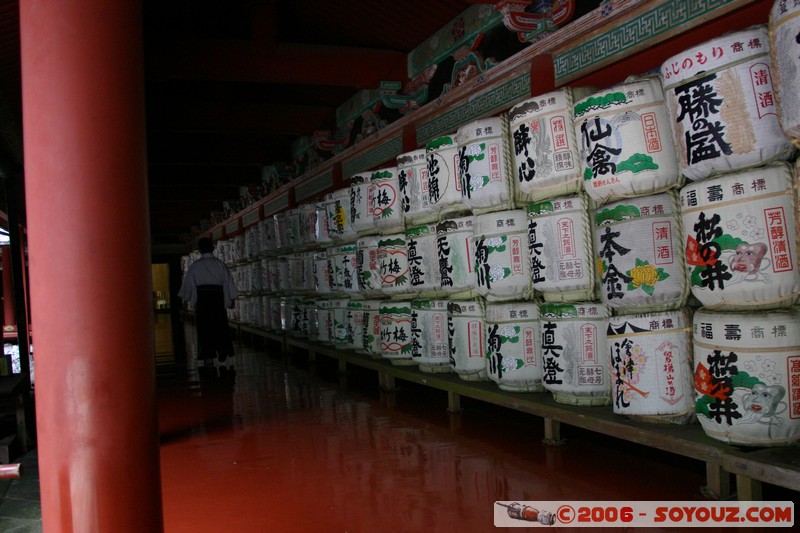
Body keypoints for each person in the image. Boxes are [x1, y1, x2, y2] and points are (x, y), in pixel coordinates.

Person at [178, 237, 238, 365]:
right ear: (212, 248)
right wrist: (230, 299)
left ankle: (208, 355)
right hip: (217, 298)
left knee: (205, 328)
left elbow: (189, 285)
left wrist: (186, 302)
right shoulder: (219, 264)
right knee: (220, 326)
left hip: (203, 299)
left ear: (199, 250)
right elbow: (228, 282)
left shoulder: (195, 266)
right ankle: (223, 350)